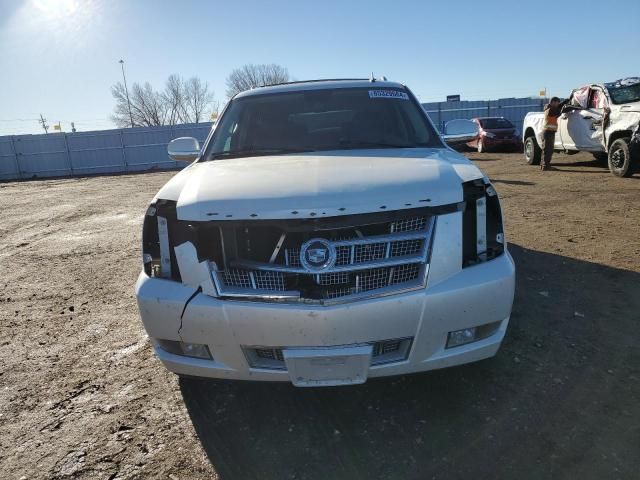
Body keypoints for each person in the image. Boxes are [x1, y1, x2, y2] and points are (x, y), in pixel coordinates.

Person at [541, 96, 569, 170]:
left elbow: (558, 107)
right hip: (548, 132)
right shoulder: (551, 110)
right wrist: (570, 107)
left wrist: (564, 102)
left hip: (548, 132)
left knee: (547, 149)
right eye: (557, 102)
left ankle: (544, 165)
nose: (558, 104)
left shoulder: (549, 108)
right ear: (553, 102)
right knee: (548, 150)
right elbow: (560, 110)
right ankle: (546, 166)